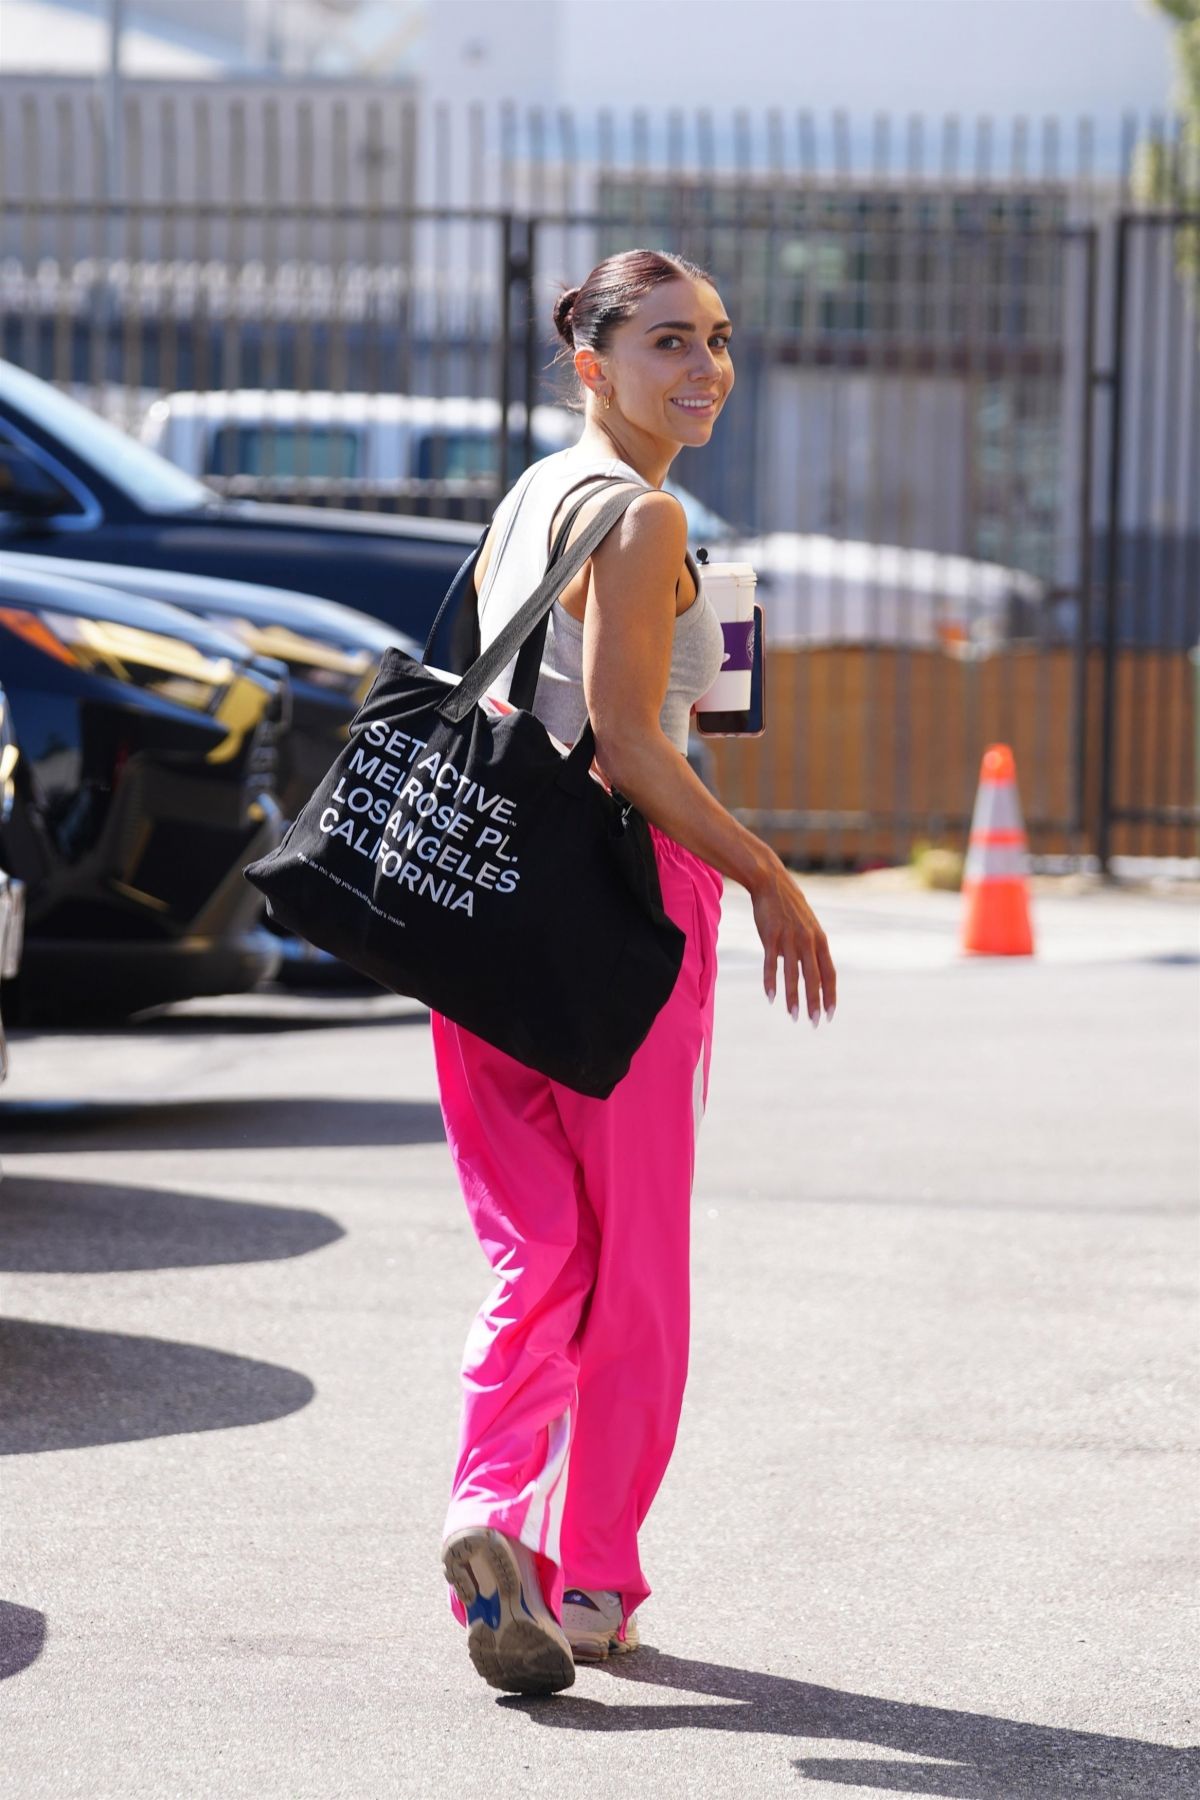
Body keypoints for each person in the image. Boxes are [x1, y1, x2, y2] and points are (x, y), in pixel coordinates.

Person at [434, 248, 837, 1696]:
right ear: (594, 361)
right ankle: (592, 1581)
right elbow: (628, 742)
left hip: (479, 911)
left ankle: (489, 1513)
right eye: (669, 341)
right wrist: (768, 875)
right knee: (640, 1272)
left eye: (720, 339)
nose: (706, 368)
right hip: (624, 918)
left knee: (538, 1246)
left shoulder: (538, 492)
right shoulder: (649, 510)